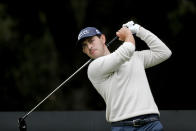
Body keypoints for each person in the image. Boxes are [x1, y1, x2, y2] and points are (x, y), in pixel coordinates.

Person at [77, 21, 172, 131]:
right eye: (84, 45)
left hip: (151, 124)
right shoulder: (94, 68)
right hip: (123, 127)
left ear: (102, 39)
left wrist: (139, 30)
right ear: (84, 51)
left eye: (91, 41)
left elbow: (164, 52)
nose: (89, 46)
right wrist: (128, 34)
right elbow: (127, 49)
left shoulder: (135, 57)